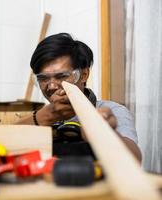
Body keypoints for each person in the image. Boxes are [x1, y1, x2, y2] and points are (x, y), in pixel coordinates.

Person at [17, 33, 141, 162]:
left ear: (84, 74)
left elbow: (135, 160)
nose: (52, 86)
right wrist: (48, 115)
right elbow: (3, 143)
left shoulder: (111, 111)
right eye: (43, 78)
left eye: (62, 76)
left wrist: (106, 134)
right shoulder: (40, 116)